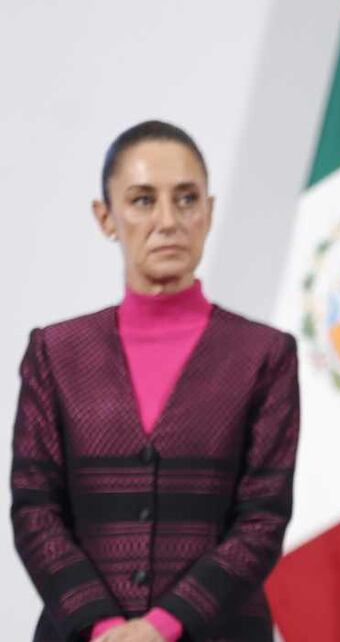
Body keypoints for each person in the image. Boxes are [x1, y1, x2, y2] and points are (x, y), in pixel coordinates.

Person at [10, 121, 299, 642]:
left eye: (186, 199)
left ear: (208, 212)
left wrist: (160, 628)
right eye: (143, 200)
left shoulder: (265, 355)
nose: (168, 220)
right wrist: (103, 627)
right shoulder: (55, 353)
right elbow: (35, 509)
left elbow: (262, 519)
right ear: (106, 217)